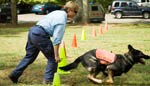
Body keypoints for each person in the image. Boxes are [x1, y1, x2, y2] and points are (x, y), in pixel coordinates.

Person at [8, 1, 79, 84]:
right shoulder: (61, 20)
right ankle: (48, 81)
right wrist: (56, 55)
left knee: (29, 56)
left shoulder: (56, 12)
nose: (76, 14)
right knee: (53, 59)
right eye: (75, 12)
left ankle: (14, 74)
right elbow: (57, 39)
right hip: (40, 35)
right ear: (70, 10)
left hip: (33, 31)